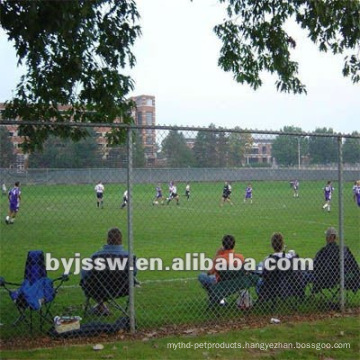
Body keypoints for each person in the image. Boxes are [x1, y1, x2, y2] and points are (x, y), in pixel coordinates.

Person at [81, 227, 137, 316]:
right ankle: (101, 307)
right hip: (122, 289)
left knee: (88, 281)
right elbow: (133, 273)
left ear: (107, 240)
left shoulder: (96, 256)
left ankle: (100, 305)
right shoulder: (129, 257)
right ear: (121, 240)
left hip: (97, 289)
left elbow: (84, 274)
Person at [310, 227, 360, 294]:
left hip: (326, 279)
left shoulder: (324, 251)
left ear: (327, 238)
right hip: (344, 277)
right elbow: (354, 265)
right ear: (336, 238)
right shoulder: (344, 249)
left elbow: (315, 264)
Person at [256, 232, 303, 301]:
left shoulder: (268, 259)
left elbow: (264, 274)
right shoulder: (290, 257)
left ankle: (262, 299)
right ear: (283, 244)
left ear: (272, 245)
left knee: (259, 268)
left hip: (271, 290)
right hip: (289, 288)